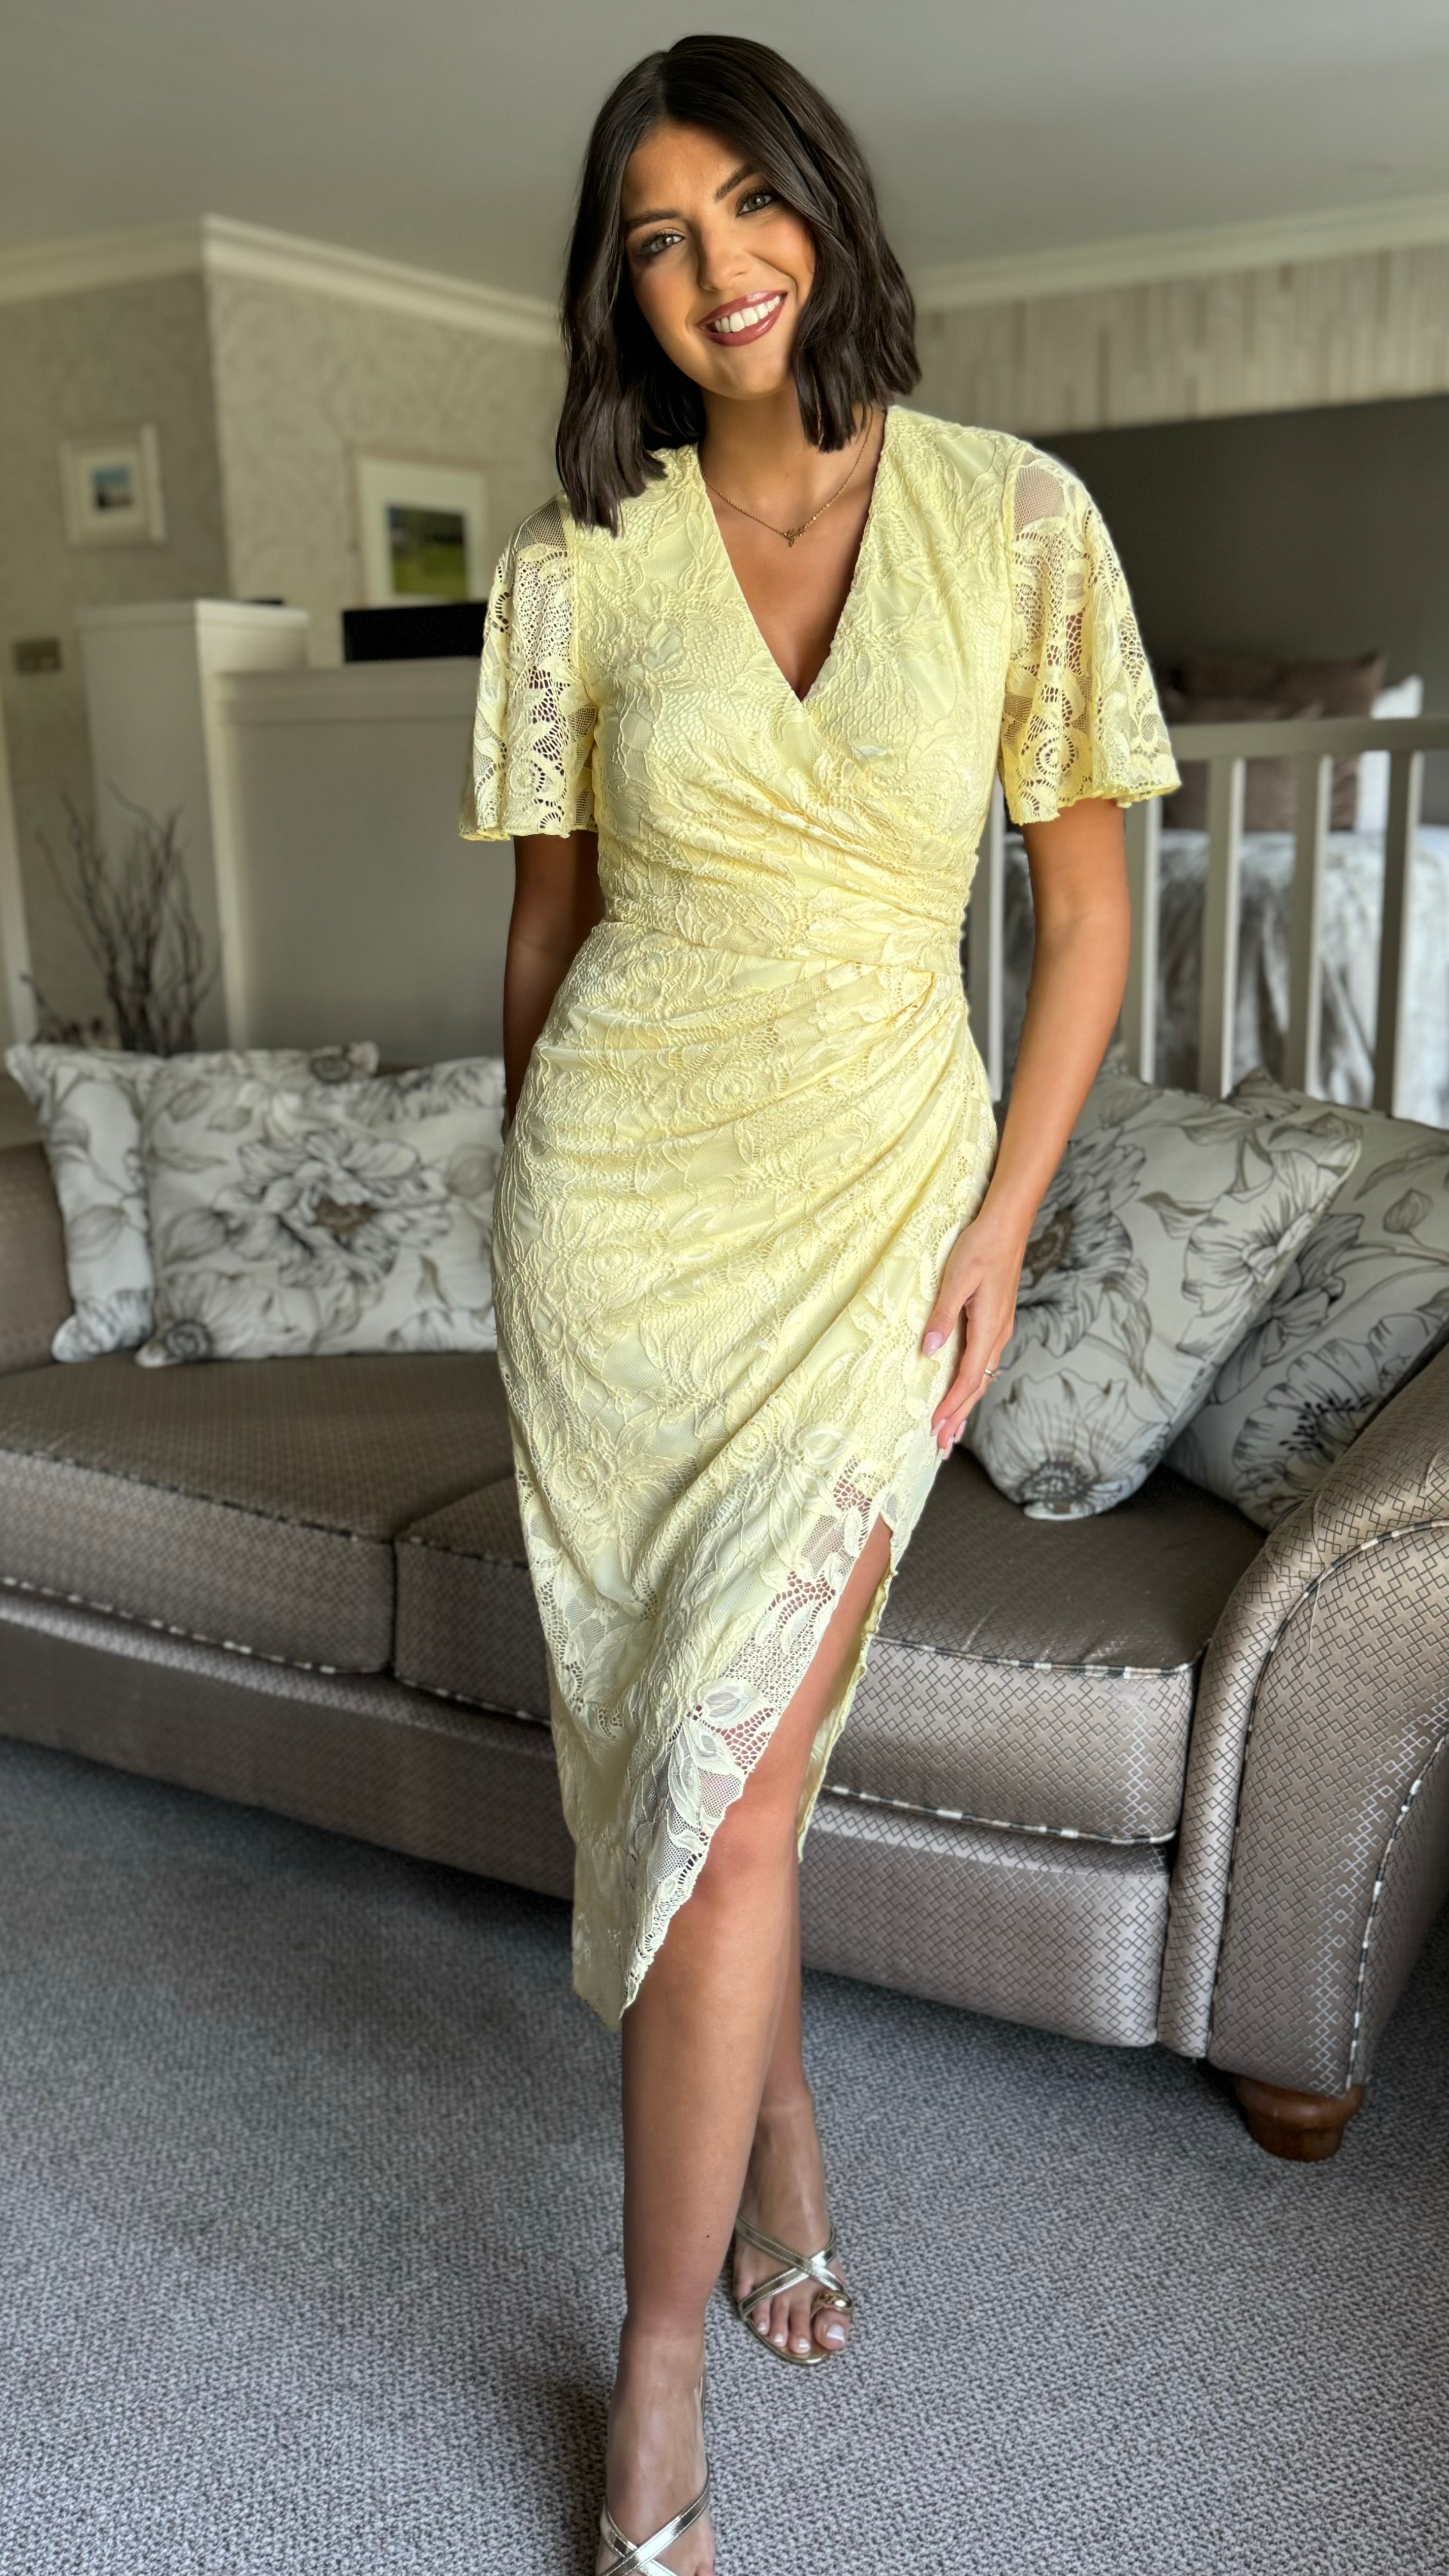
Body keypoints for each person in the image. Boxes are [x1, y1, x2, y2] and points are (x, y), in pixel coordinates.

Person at [461, 34, 1178, 2573]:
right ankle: (773, 2151)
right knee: (698, 1770)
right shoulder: (577, 572)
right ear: (620, 289)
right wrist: (531, 1219)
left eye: (747, 206)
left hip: (877, 1224)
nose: (717, 268)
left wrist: (1002, 1223)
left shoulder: (1016, 518)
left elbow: (1086, 918)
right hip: (617, 1241)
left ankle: (648, 2374)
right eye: (657, 238)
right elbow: (545, 941)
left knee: (735, 1769)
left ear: (826, 210)